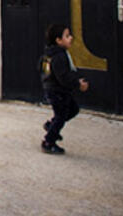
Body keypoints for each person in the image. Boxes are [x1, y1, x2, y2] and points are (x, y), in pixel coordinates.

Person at [39, 23, 89, 154]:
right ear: (58, 40)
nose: (71, 38)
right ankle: (48, 141)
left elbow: (41, 68)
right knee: (61, 116)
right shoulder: (59, 56)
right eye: (67, 36)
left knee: (73, 110)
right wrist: (78, 84)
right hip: (57, 92)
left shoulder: (50, 54)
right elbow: (64, 77)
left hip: (55, 89)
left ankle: (51, 126)